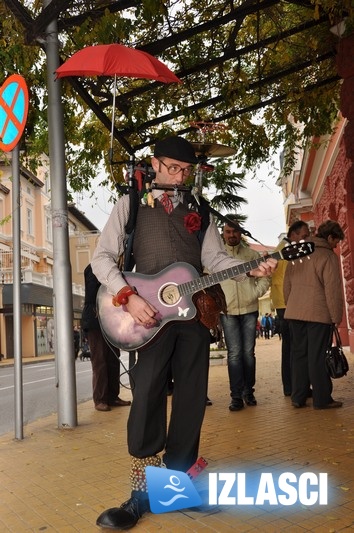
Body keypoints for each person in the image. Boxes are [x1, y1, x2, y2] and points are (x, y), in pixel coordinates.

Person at [91, 135, 277, 530]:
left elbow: (213, 259)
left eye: (186, 170)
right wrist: (127, 295)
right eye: (173, 168)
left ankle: (174, 491)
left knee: (192, 400)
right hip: (148, 318)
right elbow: (100, 257)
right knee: (148, 398)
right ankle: (140, 495)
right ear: (154, 164)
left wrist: (251, 266)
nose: (180, 176)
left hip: (192, 316)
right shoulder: (131, 205)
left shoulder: (200, 212)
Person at [283, 220, 344, 410]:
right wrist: (336, 317)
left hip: (294, 312)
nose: (336, 245)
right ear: (330, 237)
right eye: (336, 241)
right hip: (318, 314)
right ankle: (322, 398)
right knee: (317, 356)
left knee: (299, 355)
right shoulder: (328, 256)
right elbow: (332, 291)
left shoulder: (298, 253)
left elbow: (287, 286)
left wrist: (291, 305)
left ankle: (298, 396)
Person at [219, 217, 270, 411]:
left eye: (235, 232)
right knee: (234, 354)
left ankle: (249, 391)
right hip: (228, 312)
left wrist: (253, 294)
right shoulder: (217, 257)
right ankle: (236, 397)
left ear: (241, 233)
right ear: (223, 234)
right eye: (228, 232)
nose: (232, 235)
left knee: (248, 354)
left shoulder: (251, 255)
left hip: (249, 311)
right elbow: (209, 281)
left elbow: (265, 277)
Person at [82, 264, 131, 412]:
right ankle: (100, 399)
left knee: (113, 358)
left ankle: (112, 396)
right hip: (96, 319)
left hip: (111, 319)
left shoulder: (114, 268)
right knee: (100, 361)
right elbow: (93, 294)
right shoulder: (93, 268)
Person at [270, 220, 310, 396]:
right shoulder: (285, 251)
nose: (305, 239)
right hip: (288, 304)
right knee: (294, 347)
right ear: (293, 234)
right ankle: (295, 387)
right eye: (304, 236)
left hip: (284, 303)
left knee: (290, 347)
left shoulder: (283, 248)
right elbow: (289, 279)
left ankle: (292, 387)